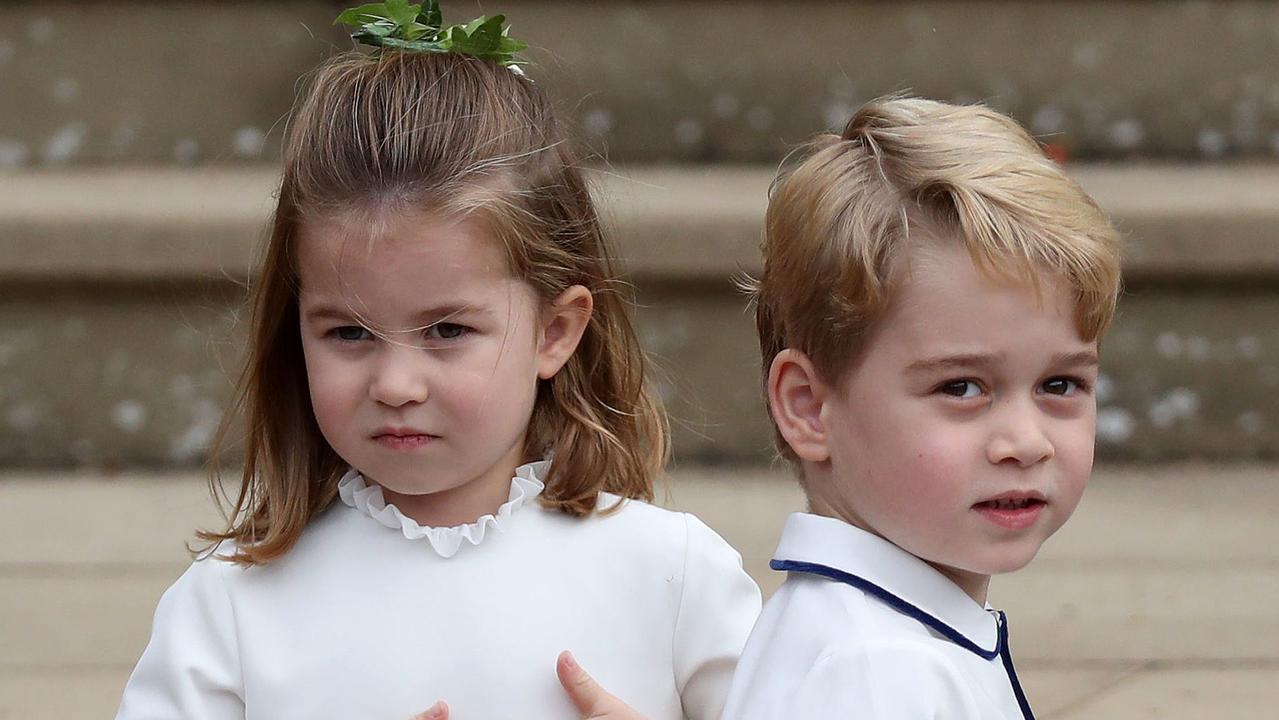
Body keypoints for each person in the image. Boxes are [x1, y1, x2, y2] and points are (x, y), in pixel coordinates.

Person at [114, 4, 760, 719]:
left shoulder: (671, 578)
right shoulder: (229, 608)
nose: (394, 384)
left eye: (447, 330)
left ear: (555, 330)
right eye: (348, 334)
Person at [717, 96, 1122, 718]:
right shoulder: (883, 671)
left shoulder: (873, 634)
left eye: (1060, 385)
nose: (1025, 440)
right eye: (962, 388)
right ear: (808, 407)